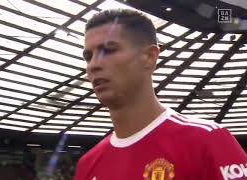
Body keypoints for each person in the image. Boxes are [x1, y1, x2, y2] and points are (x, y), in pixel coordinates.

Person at [74, 9, 247, 180]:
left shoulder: (207, 141)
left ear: (150, 57)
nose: (93, 65)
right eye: (88, 56)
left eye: (108, 50)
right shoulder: (87, 164)